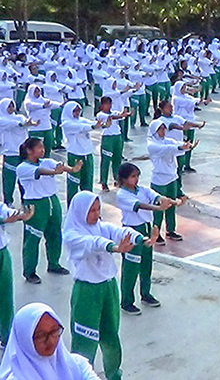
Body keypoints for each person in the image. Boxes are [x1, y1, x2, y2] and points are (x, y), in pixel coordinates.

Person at [63, 191, 157, 380]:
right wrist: (114, 247)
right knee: (84, 339)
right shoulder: (72, 234)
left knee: (110, 335)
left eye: (98, 209)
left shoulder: (101, 227)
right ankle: (79, 376)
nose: (96, 214)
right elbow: (92, 243)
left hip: (108, 287)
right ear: (80, 212)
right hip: (87, 291)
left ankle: (114, 374)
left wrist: (141, 239)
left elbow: (121, 232)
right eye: (91, 211)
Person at [115, 163, 178, 315]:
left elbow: (154, 195)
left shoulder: (141, 189)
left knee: (146, 263)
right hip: (131, 231)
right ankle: (127, 301)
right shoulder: (122, 195)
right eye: (132, 176)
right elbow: (140, 205)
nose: (136, 179)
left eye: (137, 176)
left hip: (145, 228)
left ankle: (146, 294)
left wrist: (166, 200)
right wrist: (158, 208)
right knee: (131, 267)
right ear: (123, 179)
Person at [16, 137, 81, 283]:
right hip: (35, 204)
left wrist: (72, 169)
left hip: (52, 201)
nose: (43, 150)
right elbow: (40, 171)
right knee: (32, 238)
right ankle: (29, 271)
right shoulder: (22, 167)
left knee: (55, 233)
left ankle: (54, 264)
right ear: (29, 151)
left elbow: (59, 166)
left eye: (43, 147)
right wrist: (55, 172)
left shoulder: (46, 161)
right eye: (39, 147)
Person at [0, 302, 99, 379]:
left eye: (54, 331)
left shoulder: (77, 365)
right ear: (24, 341)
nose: (51, 341)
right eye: (41, 335)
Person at [146, 119, 198, 244]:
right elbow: (168, 149)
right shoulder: (152, 144)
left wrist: (187, 146)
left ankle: (170, 230)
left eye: (164, 128)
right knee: (159, 208)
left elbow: (175, 145)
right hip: (159, 180)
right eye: (160, 129)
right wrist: (180, 147)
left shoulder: (167, 140)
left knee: (171, 206)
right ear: (154, 131)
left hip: (171, 177)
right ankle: (156, 232)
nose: (163, 131)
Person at [0, 205, 34, 346]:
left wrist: (19, 215)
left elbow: (3, 209)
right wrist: (4, 220)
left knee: (6, 295)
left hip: (2, 251)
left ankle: (6, 336)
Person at [60, 102, 103, 203]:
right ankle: (72, 208)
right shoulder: (66, 123)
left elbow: (90, 123)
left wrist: (103, 125)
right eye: (74, 111)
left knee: (88, 182)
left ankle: (88, 206)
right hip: (75, 155)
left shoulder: (81, 120)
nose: (77, 113)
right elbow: (82, 128)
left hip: (87, 155)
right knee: (73, 184)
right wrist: (94, 126)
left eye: (79, 110)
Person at [0, 99, 38, 205]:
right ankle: (8, 201)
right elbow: (14, 124)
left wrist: (30, 123)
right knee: (9, 179)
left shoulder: (19, 117)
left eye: (13, 106)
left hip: (23, 152)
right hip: (10, 153)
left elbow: (25, 123)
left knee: (24, 178)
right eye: (9, 107)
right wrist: (23, 123)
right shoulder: (2, 120)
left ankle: (25, 200)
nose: (11, 109)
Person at [96, 97, 130, 191]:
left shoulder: (114, 112)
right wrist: (121, 115)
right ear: (102, 105)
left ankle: (117, 179)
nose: (109, 106)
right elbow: (111, 118)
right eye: (106, 104)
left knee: (117, 160)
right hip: (107, 138)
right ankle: (104, 182)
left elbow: (120, 115)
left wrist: (126, 114)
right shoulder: (100, 115)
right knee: (106, 161)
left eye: (110, 103)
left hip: (117, 136)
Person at [23, 85, 62, 157]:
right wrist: (43, 106)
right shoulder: (28, 101)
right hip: (35, 128)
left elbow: (52, 104)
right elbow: (32, 106)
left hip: (47, 126)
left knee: (47, 146)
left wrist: (61, 104)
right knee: (35, 149)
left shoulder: (44, 100)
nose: (37, 93)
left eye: (38, 91)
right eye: (35, 91)